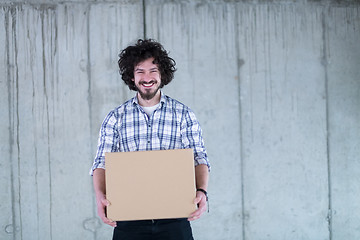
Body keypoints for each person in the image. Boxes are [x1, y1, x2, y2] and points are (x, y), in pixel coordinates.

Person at [90, 39, 210, 240]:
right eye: (140, 71)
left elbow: (199, 158)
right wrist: (100, 196)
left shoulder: (183, 115)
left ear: (162, 74)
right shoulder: (115, 118)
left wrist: (202, 191)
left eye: (153, 70)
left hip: (175, 218)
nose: (147, 77)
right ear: (131, 76)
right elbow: (101, 163)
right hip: (128, 220)